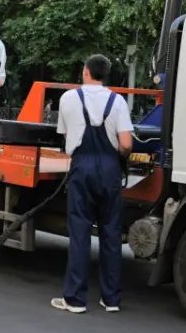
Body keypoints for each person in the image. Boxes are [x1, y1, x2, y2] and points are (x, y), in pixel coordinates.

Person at [51, 54, 133, 314]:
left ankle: (74, 299)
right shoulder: (117, 101)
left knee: (80, 233)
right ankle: (111, 299)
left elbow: (64, 137)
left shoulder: (68, 98)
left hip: (82, 167)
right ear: (104, 75)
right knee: (110, 233)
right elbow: (127, 144)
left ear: (85, 72)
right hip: (110, 170)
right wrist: (118, 157)